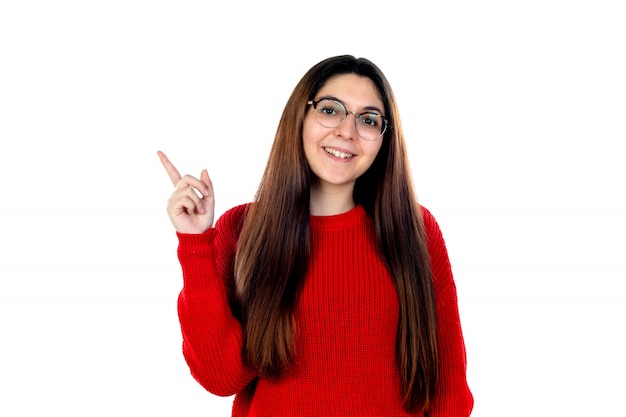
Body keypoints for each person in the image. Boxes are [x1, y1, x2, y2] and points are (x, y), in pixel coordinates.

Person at [158, 55, 473, 416]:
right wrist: (195, 244)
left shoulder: (415, 230)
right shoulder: (243, 230)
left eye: (368, 120)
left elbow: (449, 391)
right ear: (301, 117)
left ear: (384, 140)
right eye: (330, 110)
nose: (347, 132)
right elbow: (220, 377)